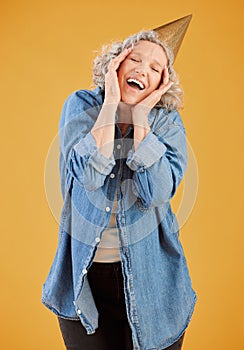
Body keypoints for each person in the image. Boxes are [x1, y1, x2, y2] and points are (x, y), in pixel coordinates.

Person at [42, 15, 197, 350]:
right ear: (116, 64)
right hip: (85, 283)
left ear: (162, 84)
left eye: (156, 68)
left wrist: (140, 120)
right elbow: (87, 176)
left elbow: (155, 191)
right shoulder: (81, 105)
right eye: (135, 59)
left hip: (153, 283)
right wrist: (111, 102)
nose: (143, 70)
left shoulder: (167, 123)